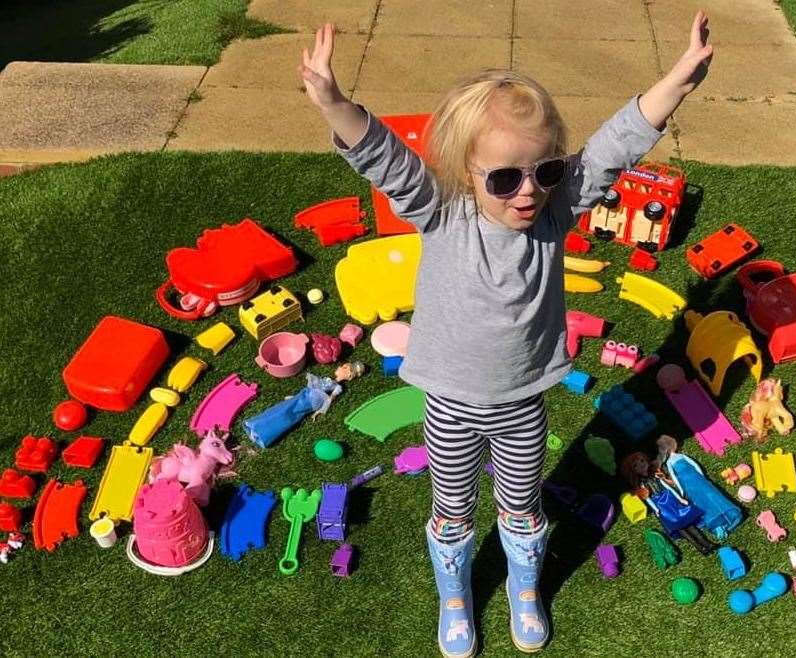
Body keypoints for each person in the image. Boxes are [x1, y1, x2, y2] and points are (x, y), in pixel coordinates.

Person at [300, 13, 712, 657]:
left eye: (545, 171)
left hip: (523, 405)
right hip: (450, 408)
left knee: (522, 509)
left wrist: (676, 84)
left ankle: (525, 584)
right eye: (504, 178)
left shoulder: (554, 211)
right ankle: (456, 592)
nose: (528, 192)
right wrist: (332, 102)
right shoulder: (439, 211)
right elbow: (381, 156)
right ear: (467, 173)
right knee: (454, 509)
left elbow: (613, 147)